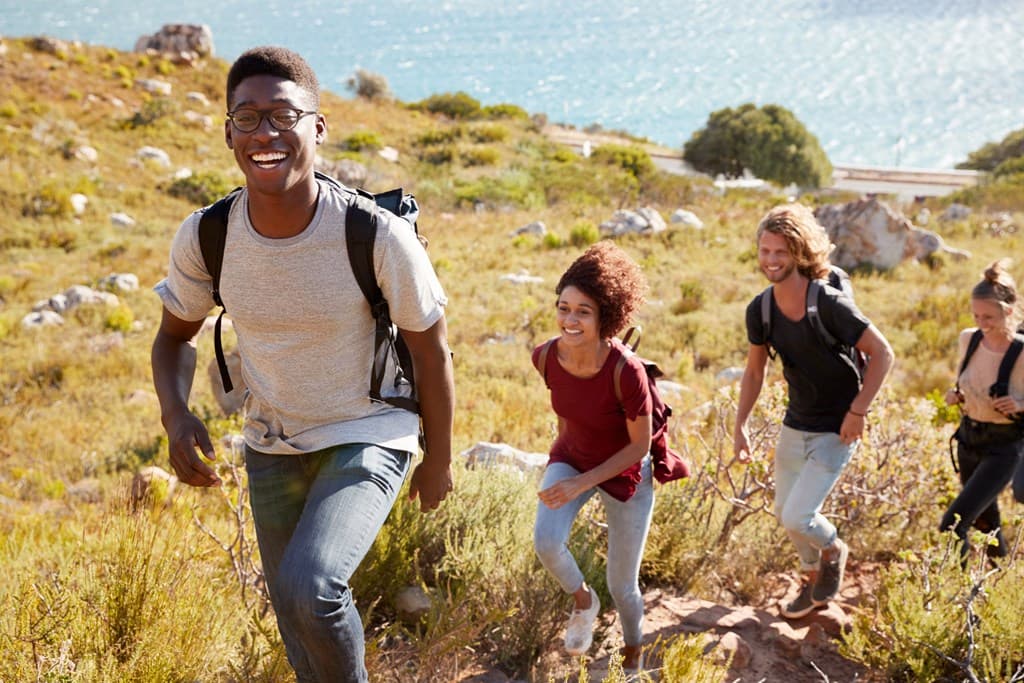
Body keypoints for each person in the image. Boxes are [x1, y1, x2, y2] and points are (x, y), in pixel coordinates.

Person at [150, 46, 454, 683]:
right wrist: (177, 417)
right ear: (228, 131)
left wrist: (440, 461)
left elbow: (429, 348)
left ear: (317, 126)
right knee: (292, 611)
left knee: (312, 588)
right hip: (272, 442)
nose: (266, 133)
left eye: (284, 116)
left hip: (368, 430)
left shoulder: (374, 234)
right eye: (248, 117)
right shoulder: (207, 235)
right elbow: (174, 337)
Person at [733, 204, 894, 619]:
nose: (770, 260)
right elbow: (754, 371)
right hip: (795, 423)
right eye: (765, 251)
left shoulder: (829, 303)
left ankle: (833, 549)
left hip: (837, 428)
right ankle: (811, 580)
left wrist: (858, 412)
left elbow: (882, 354)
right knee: (784, 514)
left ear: (801, 253)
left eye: (780, 252)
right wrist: (740, 425)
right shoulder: (761, 309)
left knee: (798, 515)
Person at [531, 242, 653, 674]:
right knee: (546, 541)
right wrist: (563, 469)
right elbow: (570, 417)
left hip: (626, 473)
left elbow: (640, 446)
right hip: (572, 458)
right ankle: (584, 602)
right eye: (564, 307)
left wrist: (582, 483)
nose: (570, 319)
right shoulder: (545, 357)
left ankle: (633, 651)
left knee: (623, 585)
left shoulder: (626, 371)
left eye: (583, 311)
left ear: (607, 317)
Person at [941, 259, 1024, 564]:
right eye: (976, 315)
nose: (981, 323)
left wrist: (1019, 405)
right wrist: (956, 395)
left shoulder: (1022, 352)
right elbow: (968, 379)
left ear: (1009, 312)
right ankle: (1001, 582)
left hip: (1003, 448)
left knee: (952, 525)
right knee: (986, 521)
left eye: (989, 316)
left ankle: (961, 601)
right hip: (968, 441)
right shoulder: (969, 339)